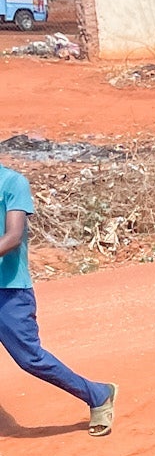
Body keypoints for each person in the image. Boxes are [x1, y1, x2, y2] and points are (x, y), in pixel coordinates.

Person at [0, 163, 115, 434]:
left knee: (31, 359)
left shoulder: (13, 183)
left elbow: (13, 236)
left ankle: (98, 395)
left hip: (10, 291)